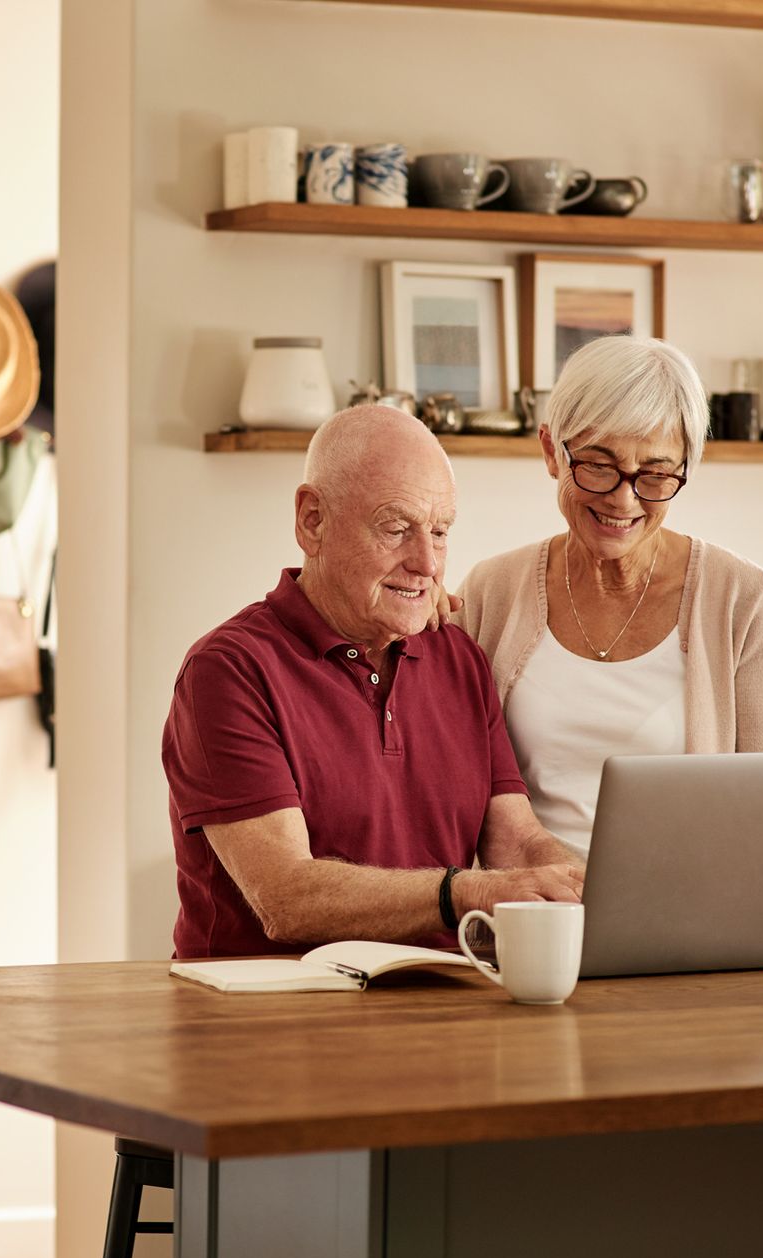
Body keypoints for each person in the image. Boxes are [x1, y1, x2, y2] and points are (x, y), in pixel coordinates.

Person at [163, 405, 581, 960]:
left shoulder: (459, 659)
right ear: (312, 521)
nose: (428, 563)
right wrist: (467, 891)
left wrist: (588, 887)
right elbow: (285, 897)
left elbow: (518, 842)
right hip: (266, 1016)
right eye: (396, 528)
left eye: (439, 531)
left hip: (436, 1007)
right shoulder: (228, 670)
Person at [452, 336, 763, 856]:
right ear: (551, 451)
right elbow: (432, 774)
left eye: (654, 474)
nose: (622, 498)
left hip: (685, 922)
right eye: (597, 465)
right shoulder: (489, 593)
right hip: (528, 918)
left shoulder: (742, 601)